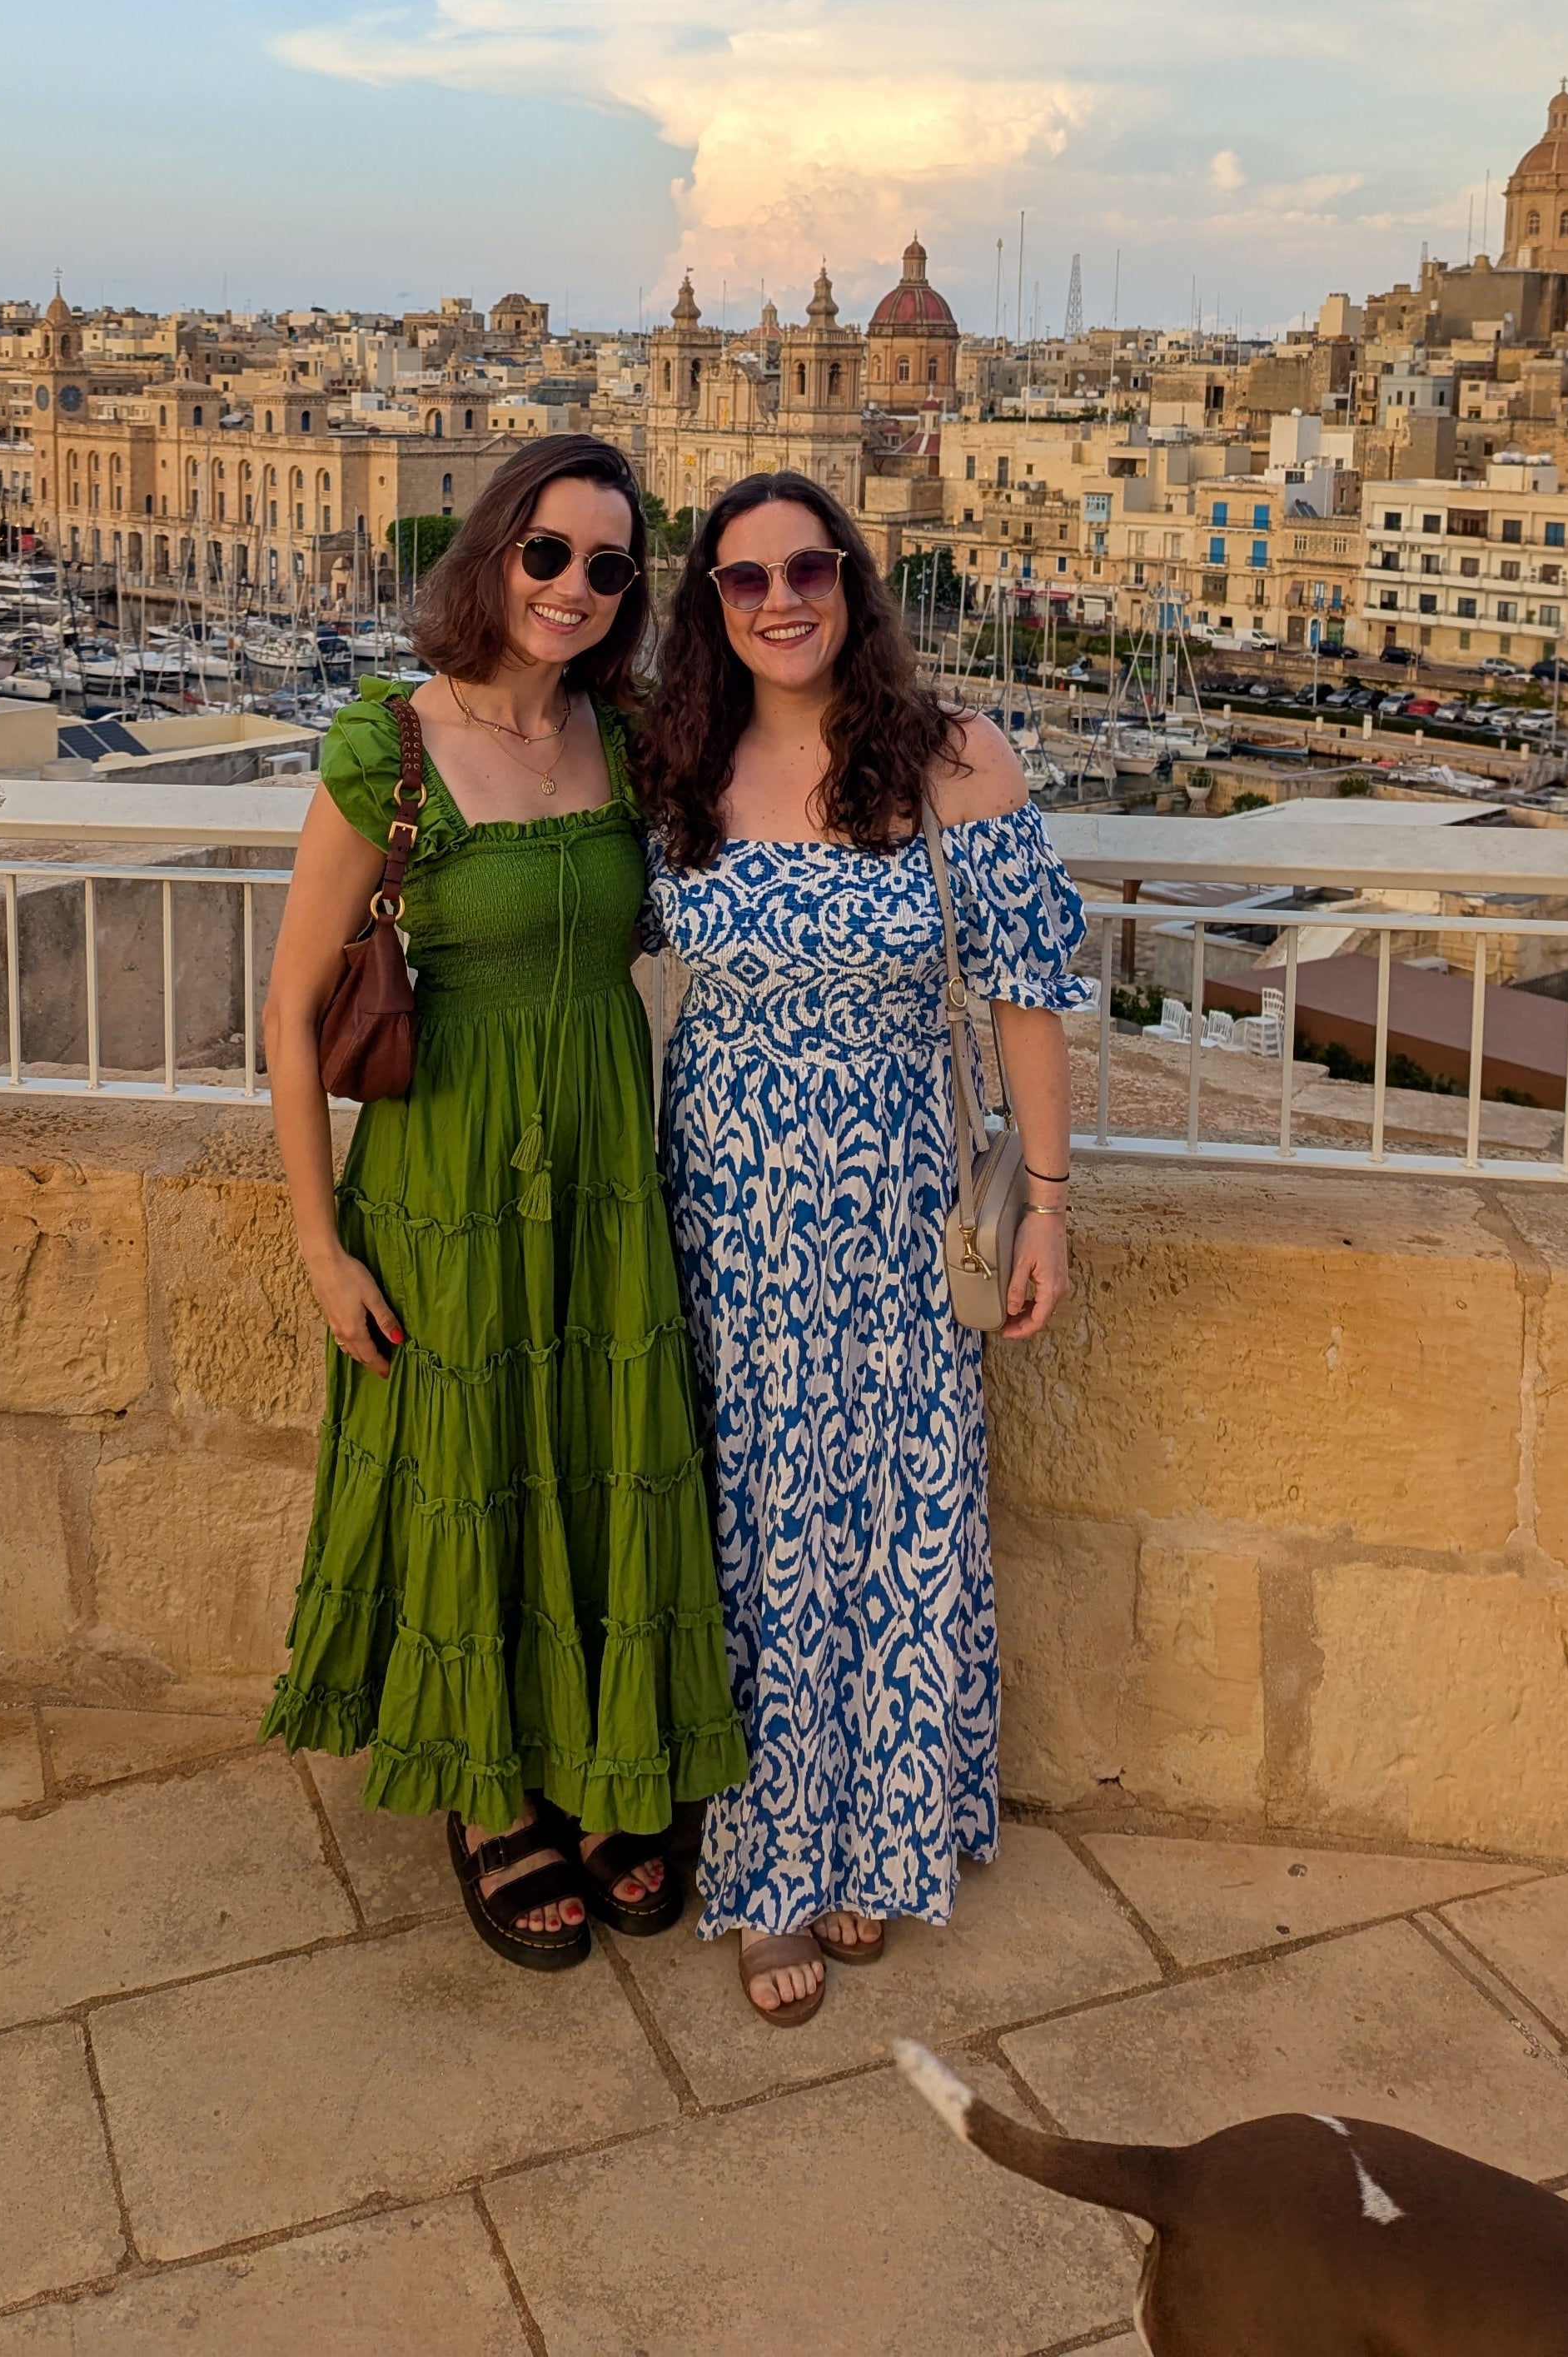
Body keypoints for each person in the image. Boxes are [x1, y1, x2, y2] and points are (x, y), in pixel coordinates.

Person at [260, 435, 746, 1970]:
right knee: (473, 1452)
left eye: (610, 567)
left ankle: (604, 1767)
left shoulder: (631, 740)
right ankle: (486, 1793)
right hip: (445, 1174)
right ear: (494, 554)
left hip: (605, 1164)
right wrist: (318, 1242)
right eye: (549, 553)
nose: (575, 588)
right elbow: (284, 1012)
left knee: (598, 1460)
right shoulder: (387, 751)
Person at [637, 471, 1090, 2025]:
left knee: (888, 1521)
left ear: (853, 585)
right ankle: (767, 1868)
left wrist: (1046, 1199)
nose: (781, 601)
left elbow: (1025, 993)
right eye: (744, 579)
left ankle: (868, 1844)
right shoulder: (673, 767)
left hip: (897, 1213)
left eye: (809, 570)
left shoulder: (954, 759)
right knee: (755, 1531)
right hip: (724, 1212)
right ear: (707, 602)